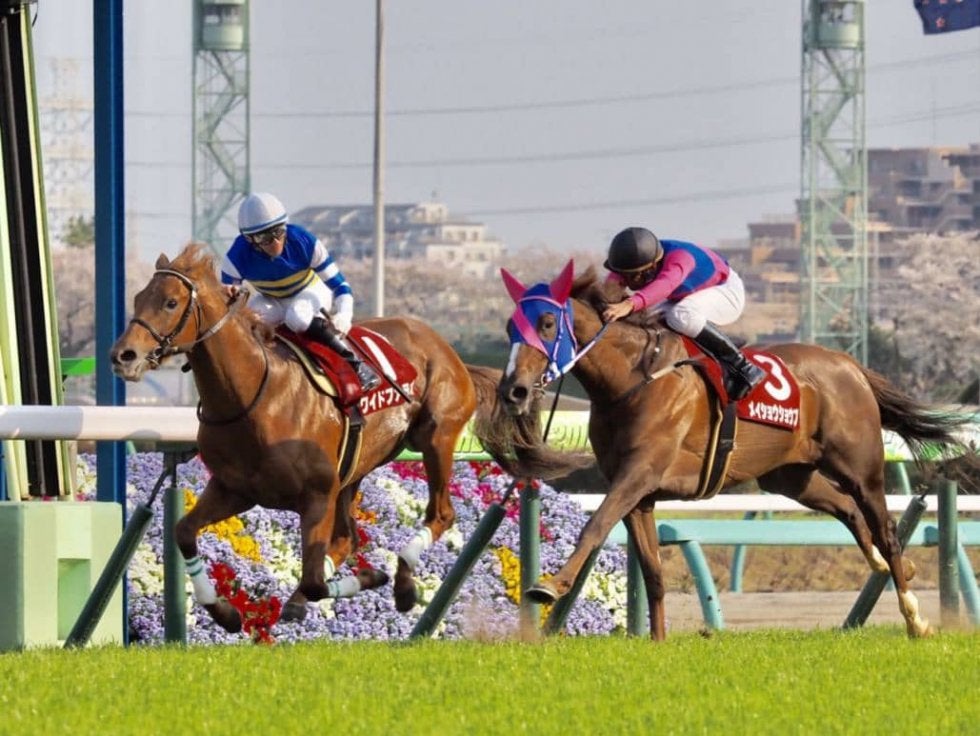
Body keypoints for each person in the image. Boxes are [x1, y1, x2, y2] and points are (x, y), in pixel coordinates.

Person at [220, 192, 381, 392]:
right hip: (273, 298)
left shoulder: (304, 241)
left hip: (311, 290)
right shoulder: (236, 256)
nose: (275, 242)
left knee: (297, 317)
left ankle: (357, 364)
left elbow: (341, 287)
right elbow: (227, 303)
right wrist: (229, 293)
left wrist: (344, 315)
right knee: (249, 321)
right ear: (249, 239)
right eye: (264, 237)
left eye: (279, 231)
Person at [601, 226, 765, 402]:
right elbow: (611, 287)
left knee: (681, 315)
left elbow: (665, 285)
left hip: (726, 291)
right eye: (623, 275)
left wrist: (629, 304)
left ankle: (743, 366)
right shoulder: (639, 257)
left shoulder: (680, 258)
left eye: (631, 276)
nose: (626, 281)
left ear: (651, 267)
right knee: (646, 319)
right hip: (688, 295)